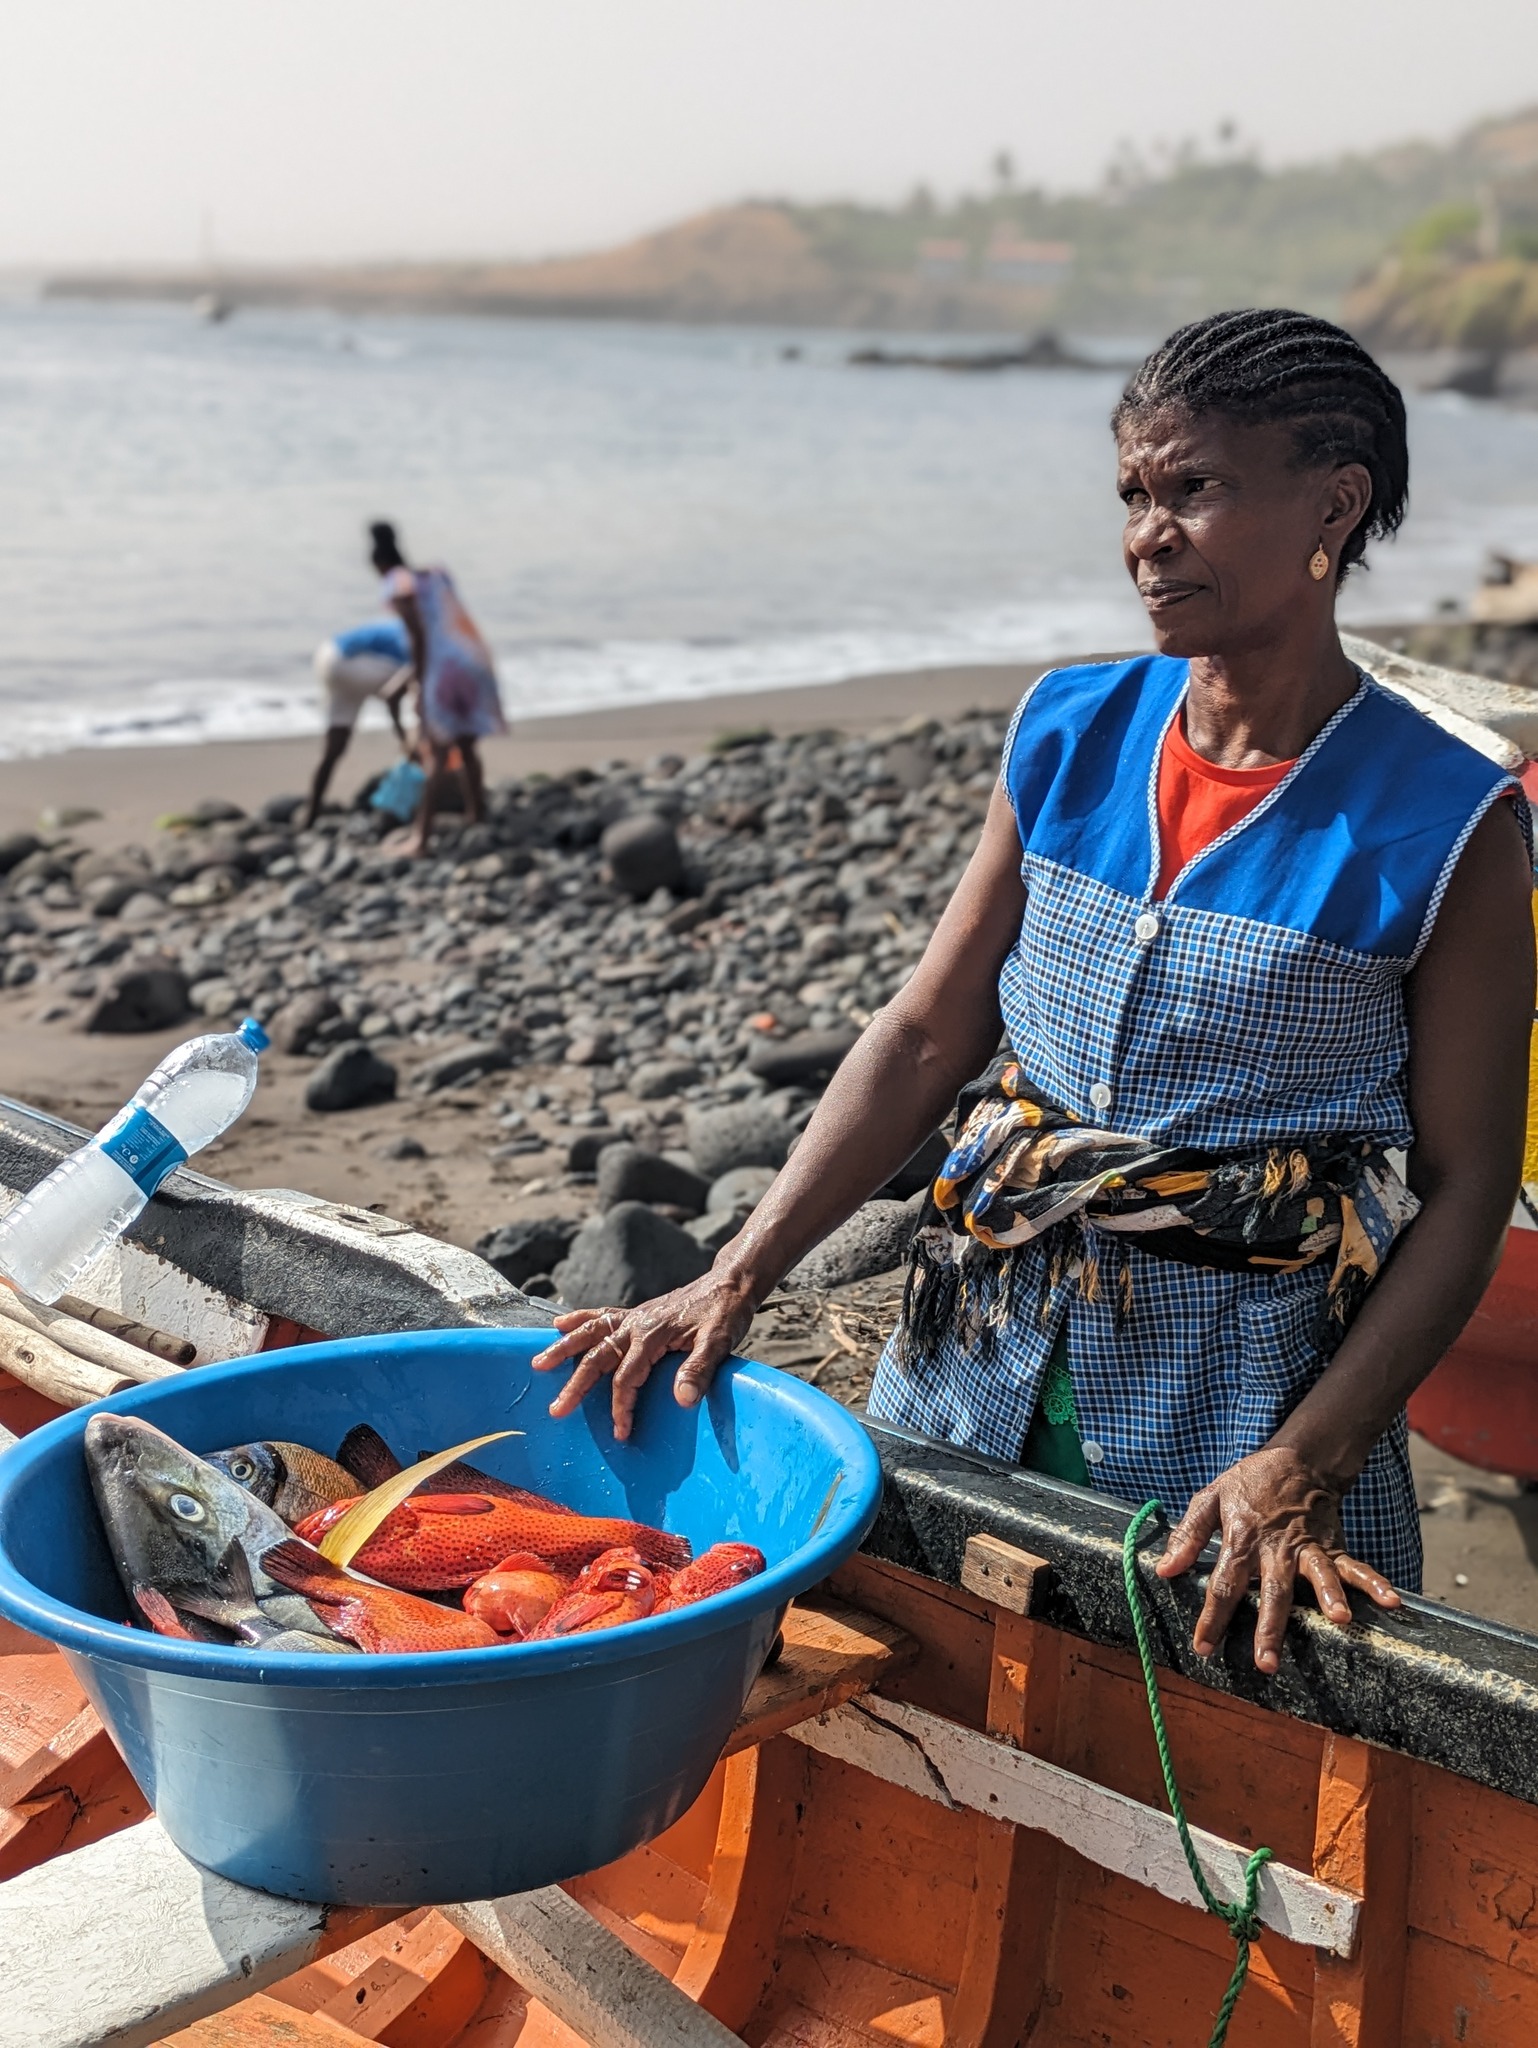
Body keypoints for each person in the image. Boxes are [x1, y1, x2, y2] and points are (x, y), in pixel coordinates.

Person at [532, 309, 1536, 1673]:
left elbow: (1468, 1183)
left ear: (1333, 502)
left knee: (1214, 1733)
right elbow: (928, 1029)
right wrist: (733, 1272)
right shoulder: (1069, 729)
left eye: (1195, 488)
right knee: (928, 1658)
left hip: (1244, 1410)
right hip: (976, 1352)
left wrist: (1309, 1457)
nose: (1147, 533)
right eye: (1133, 493)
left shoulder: (1448, 821)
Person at [368, 521, 506, 855]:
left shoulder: (396, 583)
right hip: (474, 657)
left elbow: (418, 637)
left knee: (438, 752)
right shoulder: (435, 573)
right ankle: (476, 815)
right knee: (467, 745)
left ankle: (421, 837)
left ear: (379, 565)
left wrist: (415, 686)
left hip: (443, 670)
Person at [302, 616, 414, 829]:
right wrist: (404, 737)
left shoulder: (401, 628)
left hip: (328, 656)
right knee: (420, 683)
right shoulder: (421, 640)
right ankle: (416, 759)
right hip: (350, 663)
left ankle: (311, 814)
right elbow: (392, 695)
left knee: (333, 749)